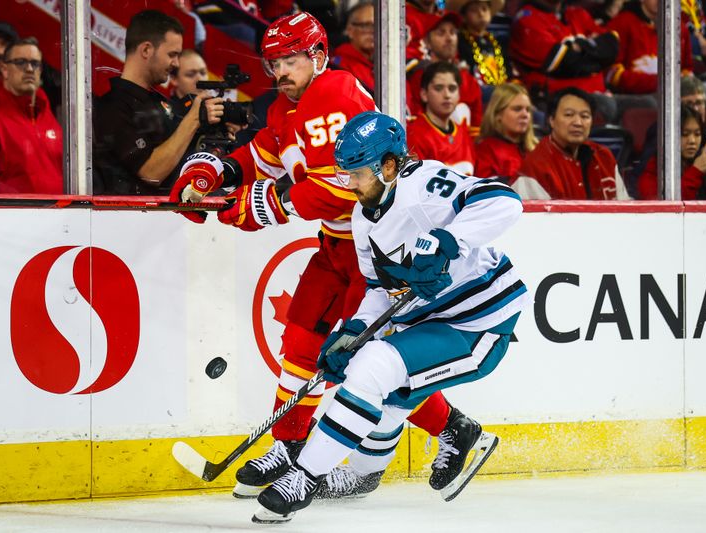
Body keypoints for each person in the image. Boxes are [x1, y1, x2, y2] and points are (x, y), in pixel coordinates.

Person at [170, 12, 454, 499]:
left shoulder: (334, 92)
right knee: (301, 339)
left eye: (291, 60)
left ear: (318, 56)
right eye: (274, 61)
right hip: (335, 247)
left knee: (365, 356)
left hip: (378, 250)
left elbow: (342, 188)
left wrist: (262, 205)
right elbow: (263, 156)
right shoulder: (286, 109)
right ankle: (291, 442)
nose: (280, 71)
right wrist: (214, 172)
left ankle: (453, 427)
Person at [252, 110, 529, 523]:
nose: (349, 183)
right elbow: (379, 289)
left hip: (480, 323)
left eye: (357, 173)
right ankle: (368, 475)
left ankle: (303, 477)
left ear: (388, 165)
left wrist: (448, 239)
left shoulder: (425, 186)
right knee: (380, 397)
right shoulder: (363, 218)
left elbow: (505, 202)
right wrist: (355, 331)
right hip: (435, 321)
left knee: (374, 367)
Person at [92, 10, 225, 195]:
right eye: (172, 54)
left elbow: (180, 157)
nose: (177, 63)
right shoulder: (113, 107)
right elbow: (151, 173)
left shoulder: (160, 103)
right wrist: (193, 119)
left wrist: (215, 135)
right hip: (131, 219)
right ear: (146, 50)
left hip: (172, 216)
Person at [0, 37, 63, 194]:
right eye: (21, 62)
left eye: (35, 64)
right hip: (14, 216)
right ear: (5, 70)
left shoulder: (46, 116)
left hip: (59, 215)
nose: (29, 69)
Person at [510, 0, 619, 122]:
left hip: (597, 94)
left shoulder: (577, 14)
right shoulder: (527, 20)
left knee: (641, 107)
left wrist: (577, 48)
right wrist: (593, 51)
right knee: (606, 106)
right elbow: (563, 63)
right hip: (553, 100)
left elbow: (612, 47)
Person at [516, 87, 630, 200]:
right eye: (569, 115)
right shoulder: (535, 167)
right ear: (551, 120)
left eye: (585, 116)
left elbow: (624, 207)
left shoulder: (604, 157)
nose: (578, 123)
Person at [604, 0, 693, 114]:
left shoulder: (679, 27)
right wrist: (661, 82)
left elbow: (687, 69)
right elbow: (612, 75)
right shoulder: (621, 23)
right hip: (634, 97)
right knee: (655, 104)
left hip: (672, 93)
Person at [406, 11, 483, 135]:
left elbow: (476, 131)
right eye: (441, 33)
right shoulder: (419, 75)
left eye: (453, 32)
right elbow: (416, 124)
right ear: (427, 41)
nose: (449, 38)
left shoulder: (470, 81)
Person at [407, 61, 476, 175]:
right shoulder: (414, 133)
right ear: (424, 94)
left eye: (452, 88)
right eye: (438, 88)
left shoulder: (464, 133)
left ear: (459, 94)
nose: (447, 95)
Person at [637, 105, 706, 200]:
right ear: (668, 135)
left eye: (697, 134)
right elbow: (671, 209)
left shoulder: (705, 165)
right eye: (684, 134)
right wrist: (695, 172)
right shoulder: (654, 172)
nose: (692, 141)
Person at [475, 83, 537, 179]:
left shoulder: (536, 149)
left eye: (528, 110)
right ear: (498, 114)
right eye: (517, 109)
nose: (525, 115)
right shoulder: (485, 150)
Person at [450, 0, 510, 91]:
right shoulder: (459, 41)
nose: (481, 14)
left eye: (484, 9)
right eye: (474, 10)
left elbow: (507, 71)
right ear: (464, 16)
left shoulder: (496, 42)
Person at [332, 2, 375, 93]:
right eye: (365, 25)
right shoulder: (339, 66)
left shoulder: (387, 63)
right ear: (349, 30)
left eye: (376, 26)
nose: (372, 31)